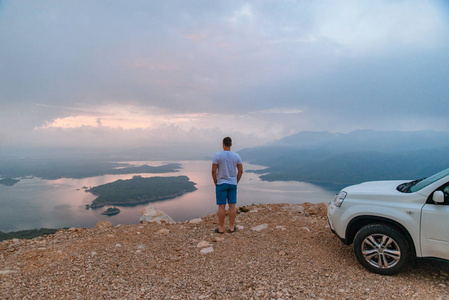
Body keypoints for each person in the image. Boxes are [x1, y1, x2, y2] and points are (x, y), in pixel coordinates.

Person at [211, 137, 243, 234]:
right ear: (231, 144)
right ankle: (231, 227)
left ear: (223, 144)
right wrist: (236, 181)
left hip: (221, 183)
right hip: (232, 183)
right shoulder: (237, 156)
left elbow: (213, 171)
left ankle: (220, 228)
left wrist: (216, 182)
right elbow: (240, 171)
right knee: (232, 206)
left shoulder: (217, 155)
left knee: (221, 206)